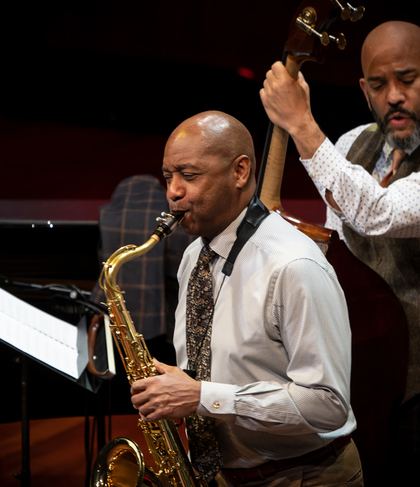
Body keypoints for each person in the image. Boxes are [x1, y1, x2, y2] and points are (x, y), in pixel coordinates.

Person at [260, 20, 420, 482]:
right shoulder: (350, 145)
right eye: (379, 85)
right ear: (363, 89)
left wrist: (300, 123)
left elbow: (380, 213)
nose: (394, 96)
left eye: (408, 79)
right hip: (371, 370)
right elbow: (338, 252)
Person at [129, 110, 363, 487]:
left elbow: (328, 406)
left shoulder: (294, 266)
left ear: (240, 172)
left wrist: (203, 397)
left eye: (189, 176)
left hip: (302, 476)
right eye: (168, 176)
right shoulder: (194, 256)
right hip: (222, 475)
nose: (173, 190)